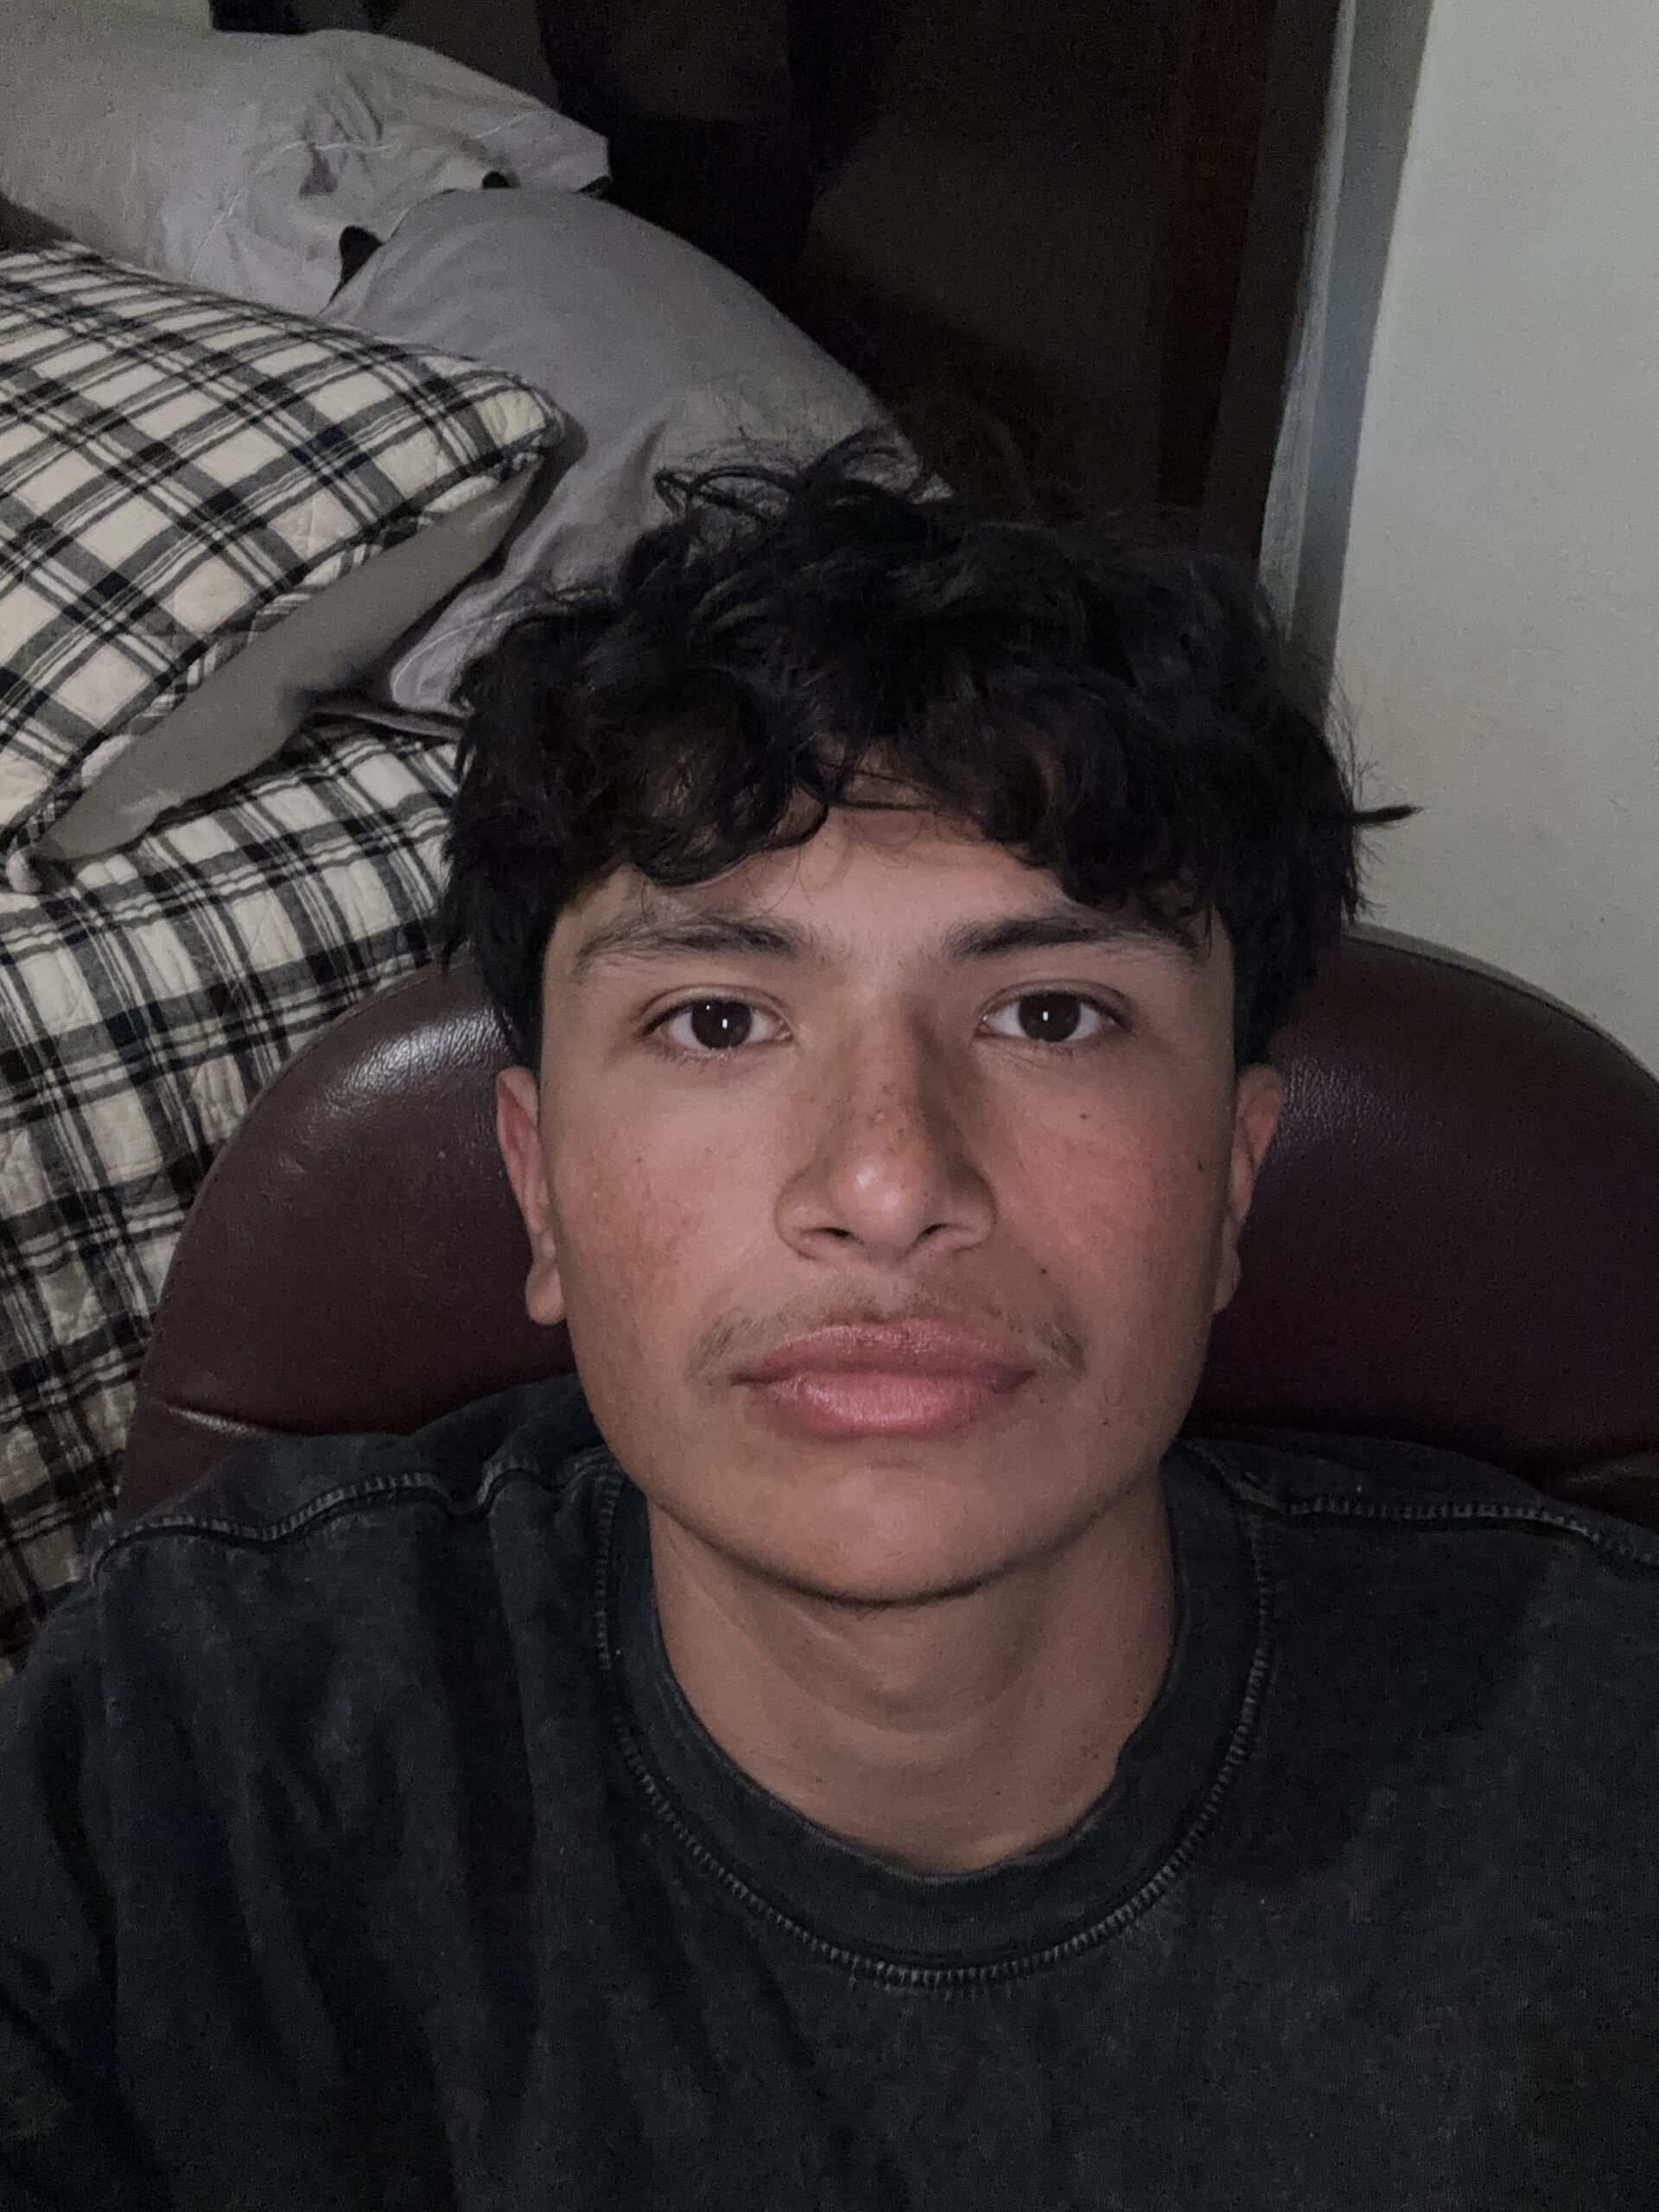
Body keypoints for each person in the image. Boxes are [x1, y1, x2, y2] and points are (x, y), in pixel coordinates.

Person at [2, 442, 1655, 2211]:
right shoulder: (204, 1740)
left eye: (1050, 1013)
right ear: (541, 1188)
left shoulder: (1602, 1757)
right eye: (717, 1021)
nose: (885, 1182)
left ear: (1235, 1182)